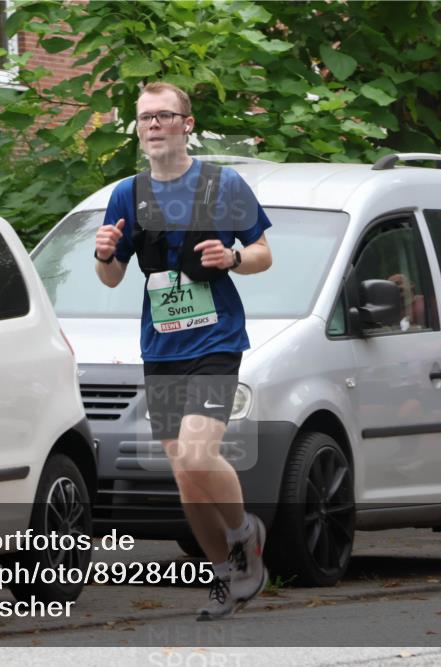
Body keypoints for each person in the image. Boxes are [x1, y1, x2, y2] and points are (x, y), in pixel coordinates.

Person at [94, 82, 273, 620]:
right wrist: (104, 255)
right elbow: (110, 277)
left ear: (186, 124)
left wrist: (234, 257)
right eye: (144, 117)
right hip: (161, 344)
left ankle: (245, 534)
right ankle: (227, 576)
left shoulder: (223, 183)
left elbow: (264, 252)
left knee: (199, 454)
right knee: (183, 472)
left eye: (163, 115)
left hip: (216, 337)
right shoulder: (127, 193)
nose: (152, 125)